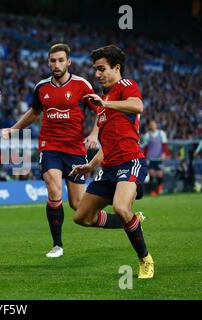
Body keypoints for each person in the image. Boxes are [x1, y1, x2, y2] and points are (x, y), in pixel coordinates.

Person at [2, 43, 99, 258]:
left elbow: (101, 110)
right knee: (54, 188)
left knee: (78, 205)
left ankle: (122, 219)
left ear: (69, 62)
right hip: (50, 147)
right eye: (53, 61)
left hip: (74, 150)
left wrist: (94, 135)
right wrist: (13, 129)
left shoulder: (82, 85)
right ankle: (57, 245)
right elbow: (34, 112)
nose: (57, 64)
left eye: (61, 60)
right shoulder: (41, 88)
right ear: (48, 62)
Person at [70, 45, 154, 279]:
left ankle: (145, 259)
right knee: (82, 217)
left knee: (120, 206)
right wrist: (91, 165)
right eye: (95, 70)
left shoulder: (125, 86)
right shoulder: (103, 101)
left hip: (130, 161)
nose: (97, 74)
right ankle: (131, 221)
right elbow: (107, 144)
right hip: (108, 168)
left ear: (116, 68)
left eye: (101, 69)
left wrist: (104, 104)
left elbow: (138, 106)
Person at [141, 120, 169, 195]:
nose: (153, 125)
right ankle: (153, 191)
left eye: (154, 124)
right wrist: (145, 157)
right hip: (150, 158)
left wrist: (164, 153)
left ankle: (159, 188)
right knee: (151, 173)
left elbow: (164, 145)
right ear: (150, 126)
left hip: (159, 158)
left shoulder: (161, 133)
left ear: (156, 125)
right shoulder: (147, 135)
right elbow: (146, 147)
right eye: (151, 124)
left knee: (159, 174)